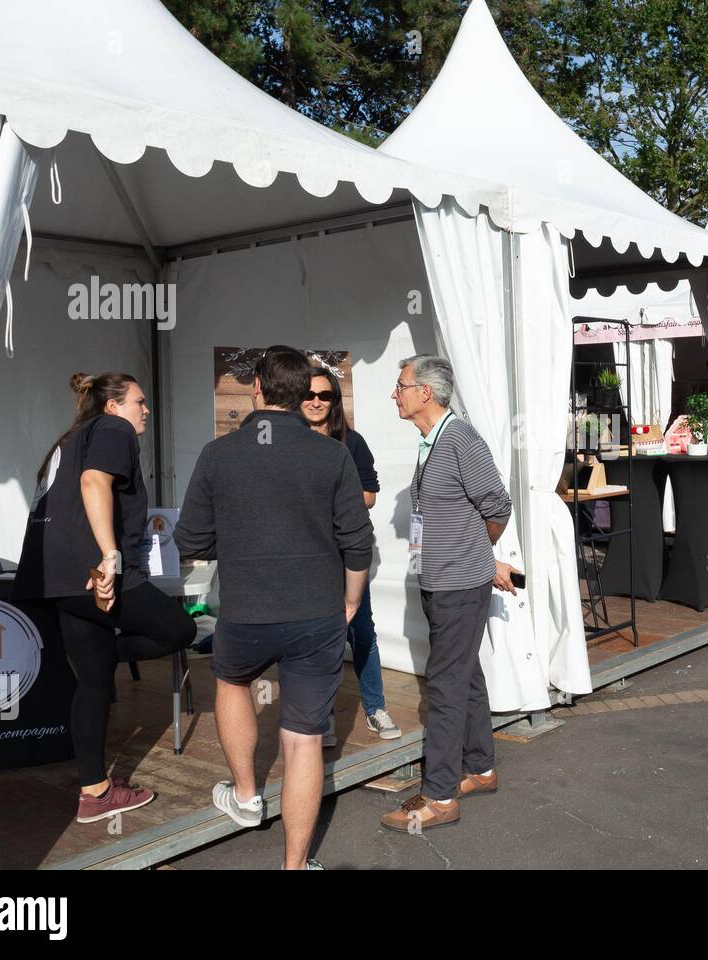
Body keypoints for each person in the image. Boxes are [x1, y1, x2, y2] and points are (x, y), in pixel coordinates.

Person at [175, 345, 373, 870]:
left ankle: (244, 797)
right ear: (301, 393)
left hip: (246, 610)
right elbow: (358, 543)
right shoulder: (332, 455)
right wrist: (351, 601)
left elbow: (191, 537)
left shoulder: (219, 454)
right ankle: (293, 865)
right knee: (304, 740)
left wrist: (240, 539)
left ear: (257, 388)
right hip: (317, 611)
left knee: (233, 682)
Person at [13, 373, 195, 824]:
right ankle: (110, 651)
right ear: (113, 406)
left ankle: (95, 793)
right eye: (139, 401)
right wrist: (110, 556)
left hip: (54, 576)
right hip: (93, 573)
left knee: (92, 679)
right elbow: (95, 483)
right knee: (180, 629)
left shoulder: (69, 439)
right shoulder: (112, 430)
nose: (146, 410)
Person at [380, 355, 517, 833]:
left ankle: (439, 796)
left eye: (400, 386)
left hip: (460, 583)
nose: (394, 394)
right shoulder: (430, 442)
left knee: (444, 684)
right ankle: (480, 768)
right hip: (440, 582)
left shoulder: (460, 438)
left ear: (426, 393)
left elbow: (497, 505)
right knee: (464, 674)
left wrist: (477, 553)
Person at [301, 366, 401, 743]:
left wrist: (327, 494)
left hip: (347, 556)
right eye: (309, 395)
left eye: (324, 395)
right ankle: (322, 715)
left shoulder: (351, 441)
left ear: (335, 402)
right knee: (316, 638)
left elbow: (370, 495)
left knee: (361, 632)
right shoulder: (289, 442)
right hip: (305, 557)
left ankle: (375, 707)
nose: (315, 401)